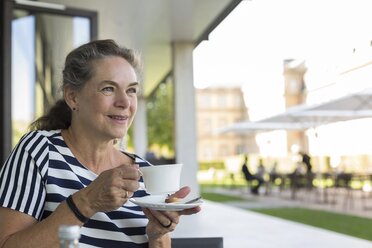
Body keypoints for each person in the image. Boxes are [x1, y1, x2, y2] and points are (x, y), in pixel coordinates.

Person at [0, 39, 200, 248]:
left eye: (131, 90)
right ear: (72, 97)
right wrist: (86, 202)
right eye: (108, 89)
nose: (124, 102)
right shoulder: (40, 150)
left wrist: (158, 235)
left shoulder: (145, 173)